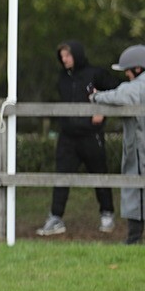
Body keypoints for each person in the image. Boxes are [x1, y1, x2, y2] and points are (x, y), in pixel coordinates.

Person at [36, 41, 119, 236]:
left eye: (68, 55)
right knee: (61, 176)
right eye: (62, 56)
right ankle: (56, 218)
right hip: (67, 137)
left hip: (91, 135)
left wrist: (102, 111)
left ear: (77, 55)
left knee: (100, 175)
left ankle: (107, 213)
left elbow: (117, 91)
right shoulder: (62, 78)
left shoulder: (95, 74)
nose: (64, 60)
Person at [91, 44, 145, 245]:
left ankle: (134, 238)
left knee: (134, 190)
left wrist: (96, 96)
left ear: (138, 69)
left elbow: (121, 95)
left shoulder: (137, 87)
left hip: (140, 148)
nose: (127, 75)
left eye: (128, 71)